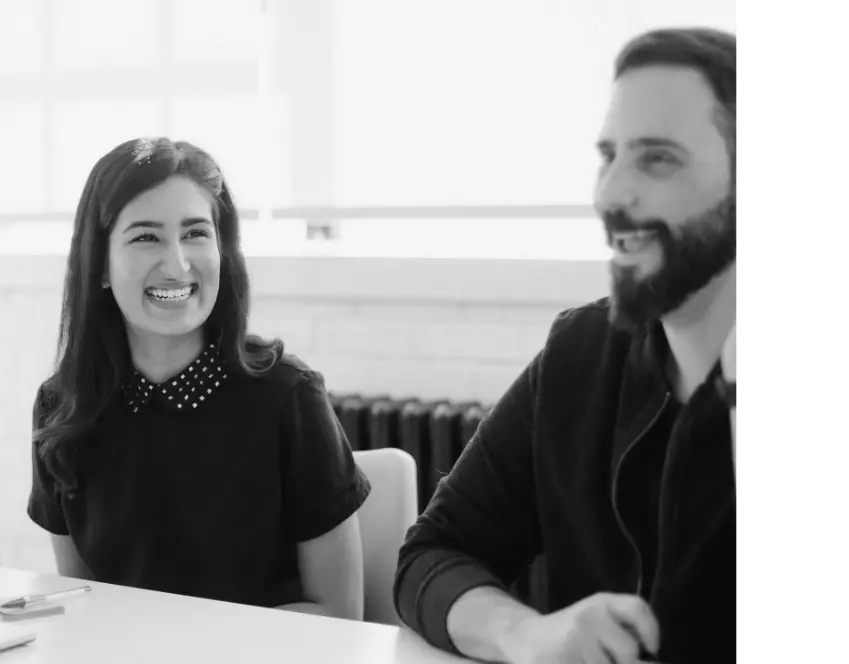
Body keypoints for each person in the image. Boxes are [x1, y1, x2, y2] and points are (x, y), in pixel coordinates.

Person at [393, 27, 744, 664]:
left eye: (657, 158)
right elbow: (432, 556)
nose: (610, 193)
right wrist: (524, 632)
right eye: (609, 156)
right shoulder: (579, 355)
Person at [28, 137, 371, 620]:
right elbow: (85, 605)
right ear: (99, 264)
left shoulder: (287, 397)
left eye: (195, 234)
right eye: (146, 237)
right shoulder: (62, 407)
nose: (178, 265)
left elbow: (339, 615)